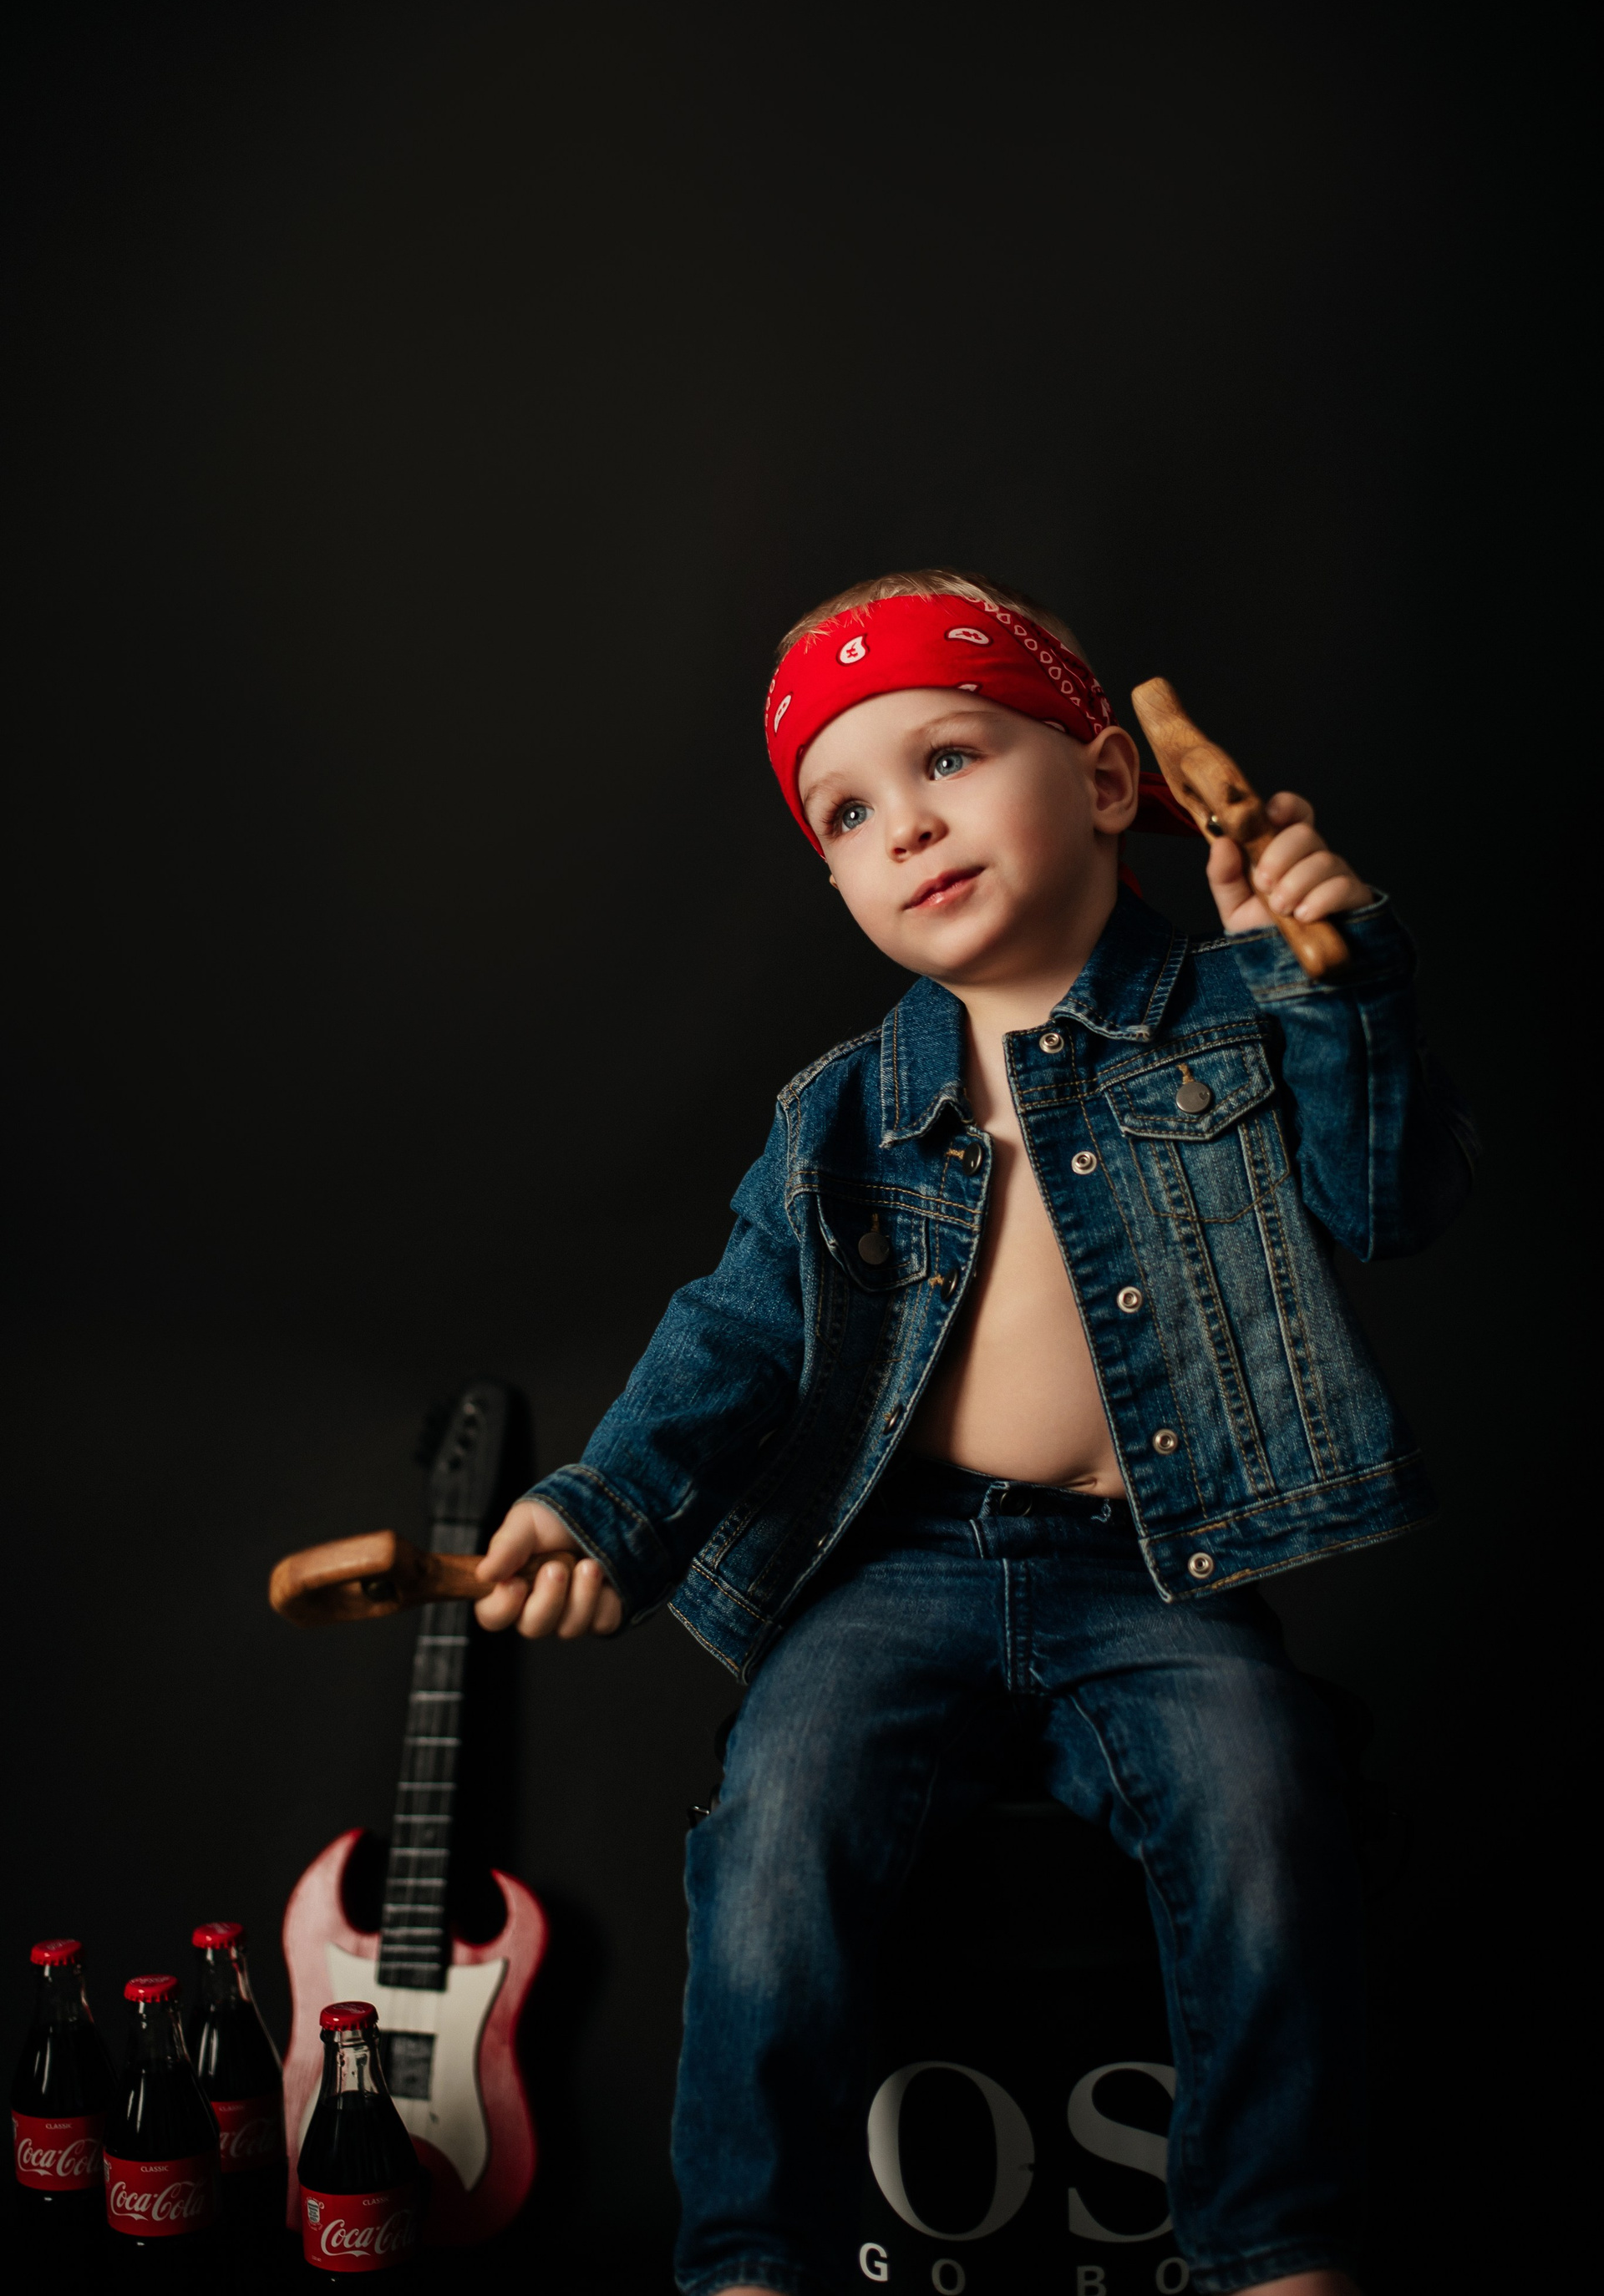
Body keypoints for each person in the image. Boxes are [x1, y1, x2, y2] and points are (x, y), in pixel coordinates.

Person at [473, 569, 1476, 2296]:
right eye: (849, 813)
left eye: (949, 758)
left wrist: (1338, 973)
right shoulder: (842, 1109)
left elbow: (1391, 1203)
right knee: (773, 1827)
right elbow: (732, 1340)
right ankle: (752, 2262)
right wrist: (599, 1514)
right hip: (902, 1570)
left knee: (1266, 1808)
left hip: (1153, 1572)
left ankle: (1277, 2249)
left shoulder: (1242, 1011)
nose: (908, 827)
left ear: (1107, 780)